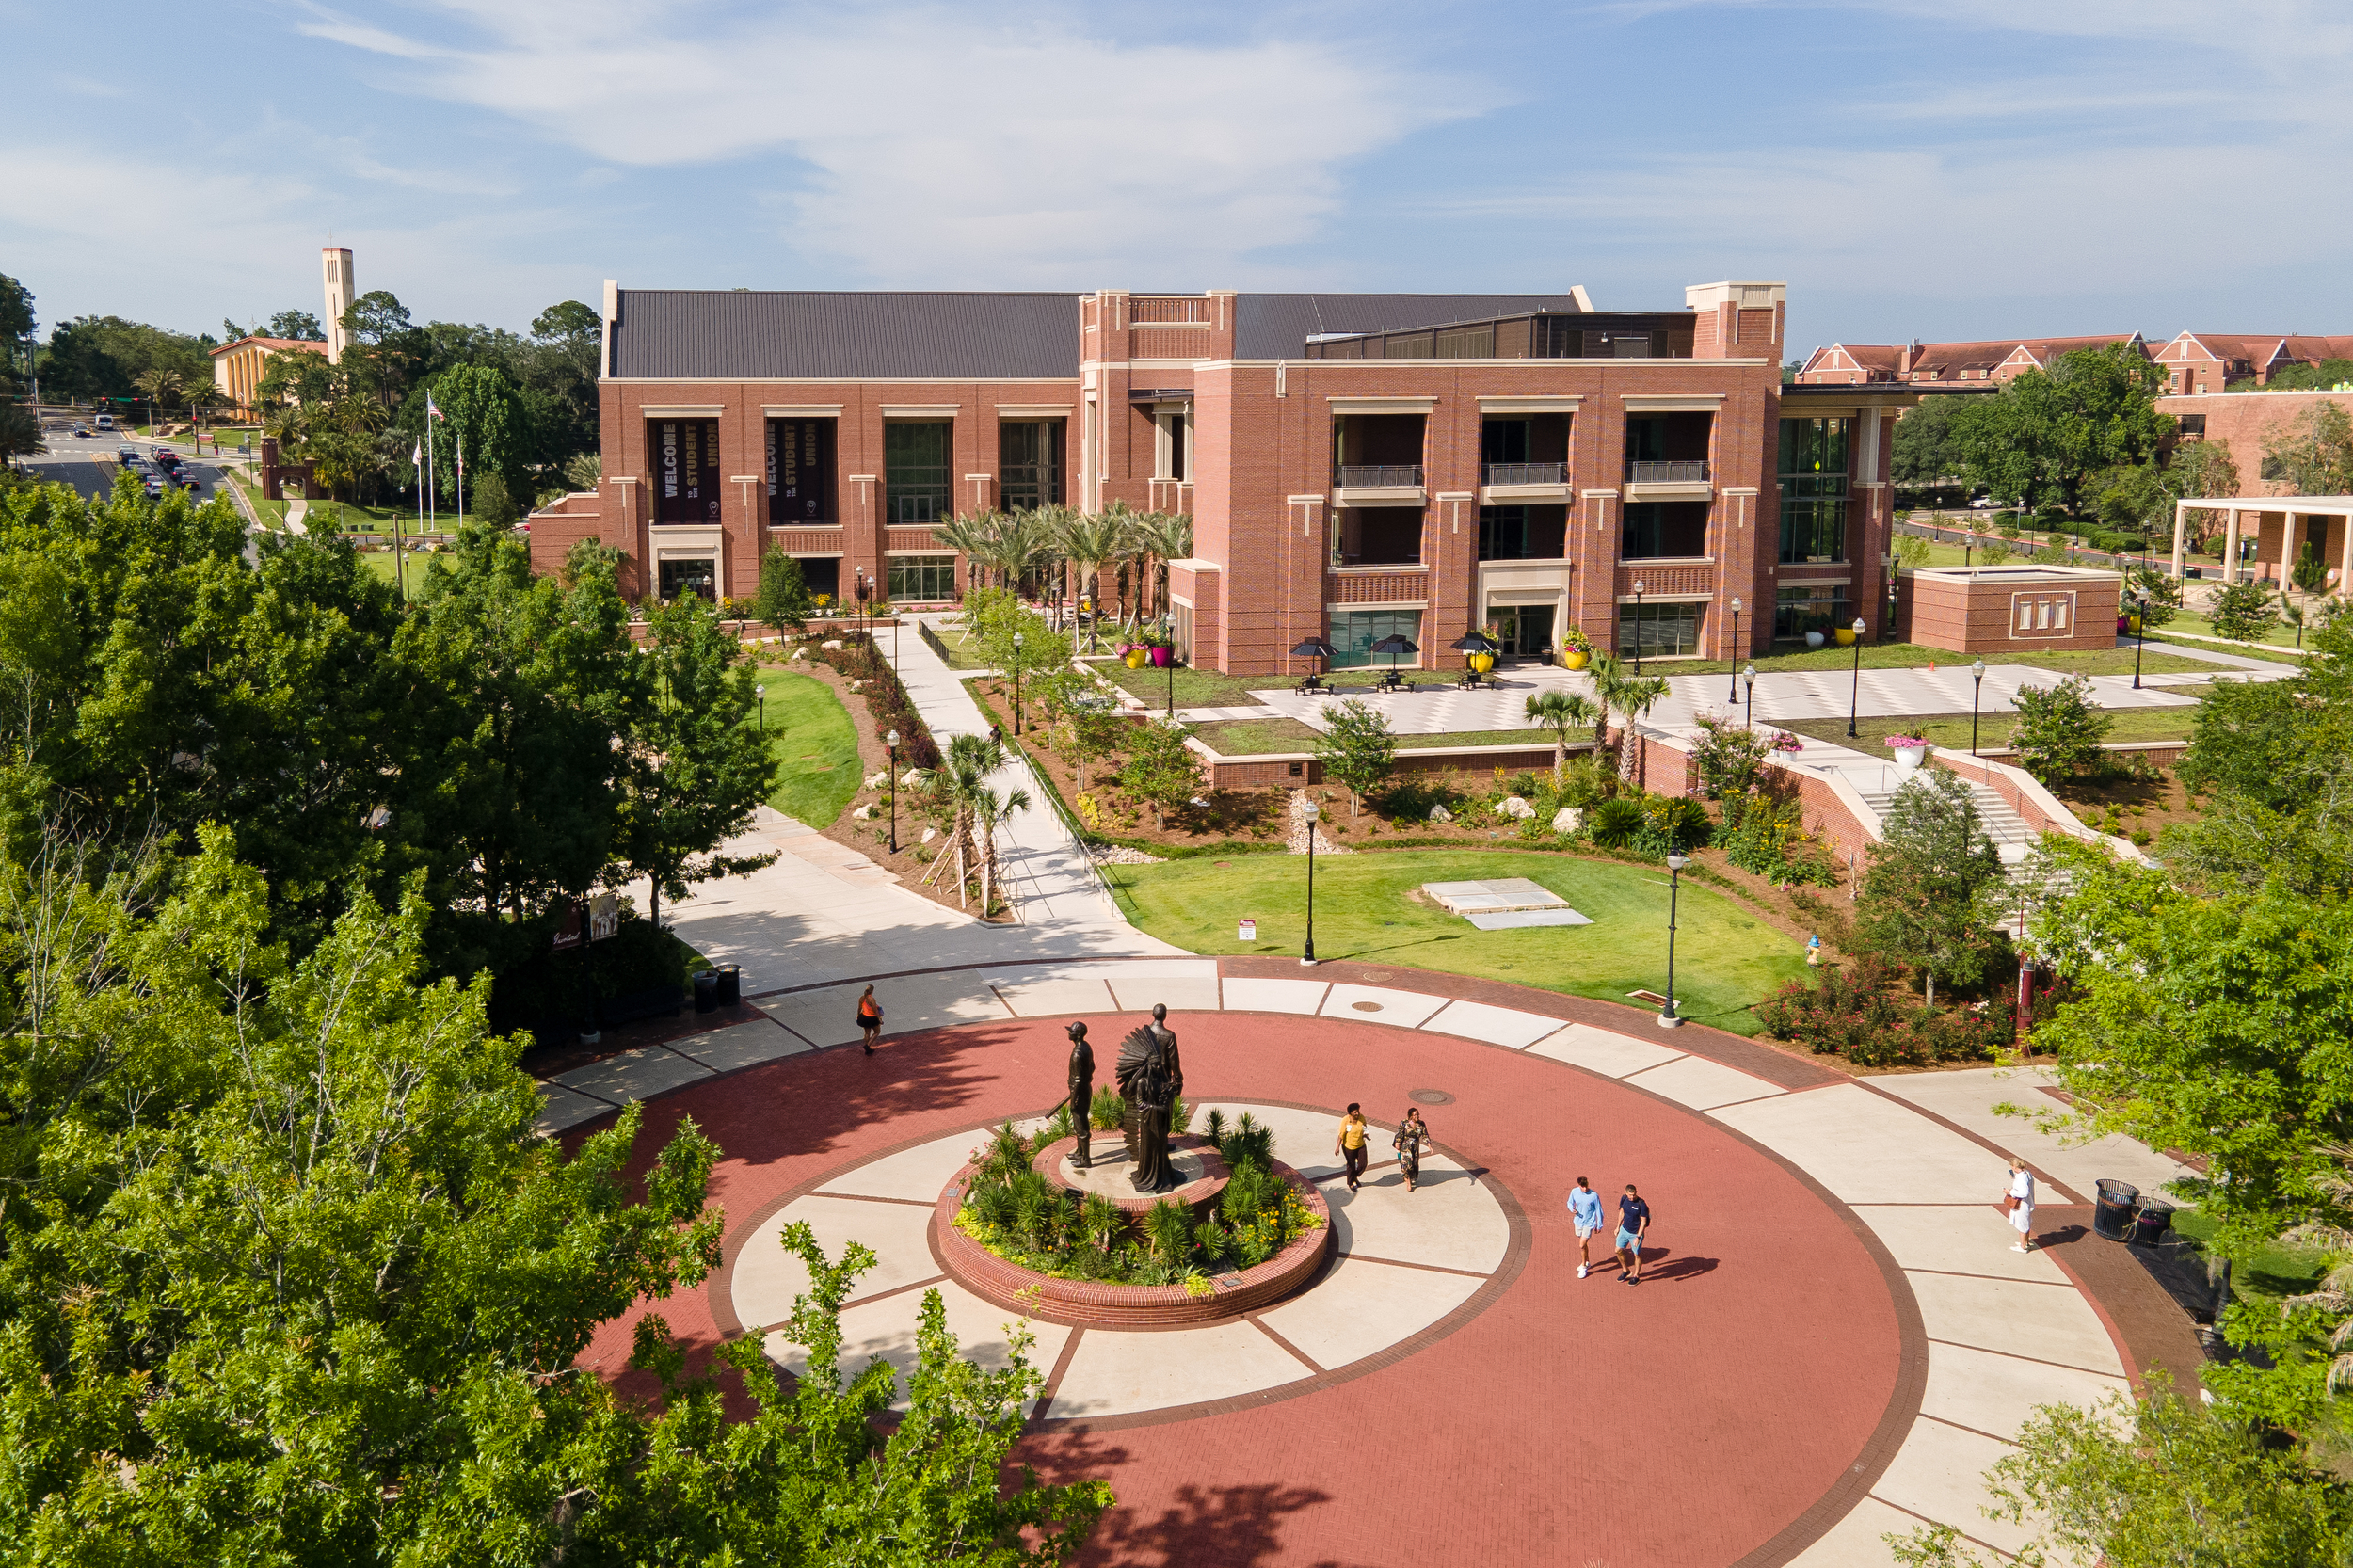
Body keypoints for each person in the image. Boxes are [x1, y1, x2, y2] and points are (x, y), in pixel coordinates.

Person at [1567, 1177, 1607, 1278]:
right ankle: (1587, 1261)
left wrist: (1599, 1225)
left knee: (1581, 1245)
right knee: (1583, 1245)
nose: (1585, 1189)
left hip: (1589, 1223)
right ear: (1579, 1185)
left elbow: (1599, 1210)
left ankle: (1583, 1267)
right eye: (1582, 1186)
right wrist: (1571, 1208)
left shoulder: (1594, 1195)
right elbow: (1569, 1202)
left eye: (1586, 1186)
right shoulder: (1574, 1191)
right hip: (1578, 1221)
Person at [1615, 1184, 1652, 1284]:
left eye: (1634, 1195)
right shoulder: (1624, 1199)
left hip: (1635, 1234)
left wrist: (1638, 1237)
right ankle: (1625, 1270)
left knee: (1636, 1254)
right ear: (1626, 1193)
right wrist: (1618, 1227)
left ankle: (1636, 1275)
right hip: (1624, 1230)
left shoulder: (1641, 1204)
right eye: (1630, 1195)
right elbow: (1622, 1212)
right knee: (1618, 1250)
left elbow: (1643, 1222)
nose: (1632, 1197)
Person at [1334, 1103, 1369, 1191]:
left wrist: (1365, 1134)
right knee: (1351, 1165)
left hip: (1360, 1145)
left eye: (1358, 1111)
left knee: (1363, 1164)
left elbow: (1364, 1127)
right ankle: (1350, 1183)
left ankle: (1354, 1177)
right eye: (1355, 1112)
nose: (1358, 1114)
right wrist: (1337, 1147)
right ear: (1350, 1113)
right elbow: (1341, 1135)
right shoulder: (1345, 1121)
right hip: (1349, 1147)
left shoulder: (1361, 1118)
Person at [1393, 1107, 1430, 1192]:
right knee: (1407, 1162)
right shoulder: (1404, 1123)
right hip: (1406, 1145)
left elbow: (1425, 1134)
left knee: (1414, 1163)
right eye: (1415, 1115)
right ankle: (1408, 1180)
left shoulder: (1421, 1124)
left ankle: (1409, 1176)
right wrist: (1397, 1143)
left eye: (1418, 1114)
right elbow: (1400, 1133)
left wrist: (1429, 1144)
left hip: (1415, 1146)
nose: (1417, 1116)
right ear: (1410, 1116)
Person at [2006, 1158, 2038, 1252]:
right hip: (2027, 1203)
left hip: (2022, 1204)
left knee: (2021, 1224)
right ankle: (2026, 1242)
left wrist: (2010, 1192)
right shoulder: (2027, 1174)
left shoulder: (2021, 1178)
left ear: (2014, 1167)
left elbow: (2024, 1193)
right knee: (2026, 1223)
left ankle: (2023, 1246)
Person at [856, 984, 882, 1055]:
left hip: (864, 1017)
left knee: (867, 1033)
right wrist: (879, 1019)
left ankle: (867, 1049)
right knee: (877, 1032)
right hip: (872, 1018)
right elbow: (875, 1010)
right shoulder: (871, 999)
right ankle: (867, 1046)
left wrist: (858, 1015)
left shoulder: (861, 998)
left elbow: (859, 1008)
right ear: (872, 991)